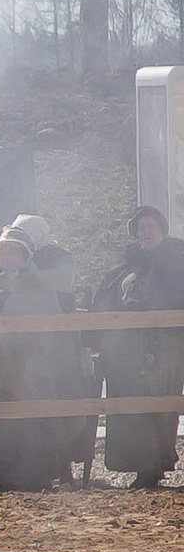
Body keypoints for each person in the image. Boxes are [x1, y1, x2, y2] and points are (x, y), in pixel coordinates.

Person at [0, 215, 89, 490]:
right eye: (4, 251)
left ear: (24, 255)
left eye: (14, 251)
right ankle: (0, 473)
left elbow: (51, 324)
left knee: (33, 420)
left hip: (32, 364)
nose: (9, 255)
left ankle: (36, 474)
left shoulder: (40, 287)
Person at [94, 207, 184, 486]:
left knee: (159, 401)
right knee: (132, 404)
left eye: (150, 226)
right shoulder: (124, 268)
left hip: (166, 345)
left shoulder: (176, 261)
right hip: (127, 349)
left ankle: (154, 466)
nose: (146, 232)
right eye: (141, 228)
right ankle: (139, 464)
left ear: (161, 230)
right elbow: (104, 301)